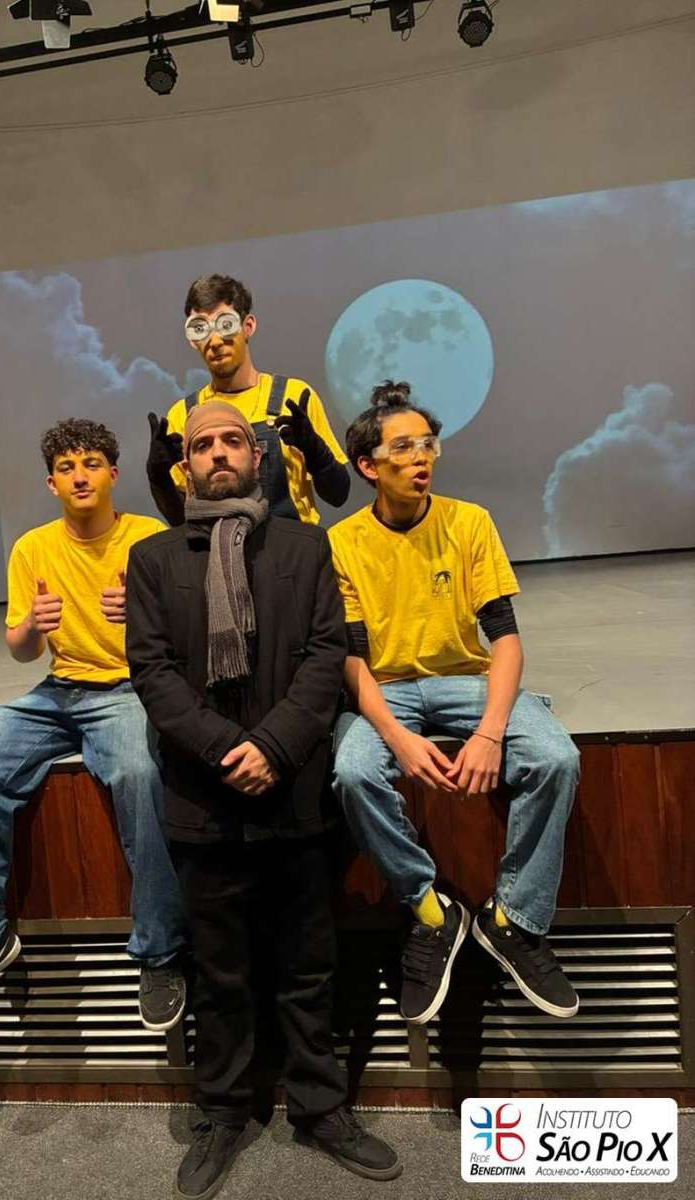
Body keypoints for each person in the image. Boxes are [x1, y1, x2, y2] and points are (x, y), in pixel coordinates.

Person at [126, 400, 401, 1200]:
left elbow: (326, 656)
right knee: (219, 976)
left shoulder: (305, 546)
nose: (217, 453)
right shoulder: (153, 559)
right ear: (184, 466)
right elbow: (152, 672)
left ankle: (321, 1109)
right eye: (202, 445)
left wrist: (274, 747)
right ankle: (223, 1113)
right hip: (203, 798)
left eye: (231, 441)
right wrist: (223, 749)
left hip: (293, 795)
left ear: (257, 456)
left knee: (308, 968)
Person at [0, 418, 188, 1034]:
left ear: (113, 474)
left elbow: (185, 635)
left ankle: (162, 952)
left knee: (140, 775)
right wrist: (31, 627)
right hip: (59, 690)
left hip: (130, 689)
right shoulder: (32, 548)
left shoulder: (149, 538)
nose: (79, 476)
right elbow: (21, 651)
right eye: (66, 468)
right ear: (51, 483)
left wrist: (144, 615)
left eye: (91, 464)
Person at [329, 382, 580, 1026]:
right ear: (368, 466)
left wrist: (490, 732)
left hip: (466, 680)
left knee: (555, 757)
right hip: (384, 688)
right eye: (403, 447)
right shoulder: (343, 541)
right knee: (353, 771)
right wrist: (398, 738)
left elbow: (505, 639)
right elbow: (351, 659)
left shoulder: (468, 522)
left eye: (427, 444)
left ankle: (514, 920)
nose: (422, 458)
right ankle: (429, 909)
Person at [145, 273, 350, 527]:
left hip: (292, 547)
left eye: (225, 324)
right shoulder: (184, 415)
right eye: (201, 329)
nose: (215, 341)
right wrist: (159, 478)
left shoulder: (293, 397)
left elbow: (338, 494)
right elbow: (180, 520)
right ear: (192, 339)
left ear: (248, 326)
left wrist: (316, 453)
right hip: (216, 548)